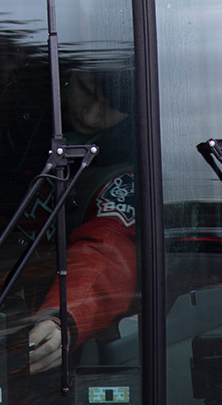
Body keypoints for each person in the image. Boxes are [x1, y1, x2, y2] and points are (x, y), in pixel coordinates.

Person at [27, 66, 138, 374]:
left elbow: (107, 249)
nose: (89, 116)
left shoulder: (122, 174)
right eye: (85, 90)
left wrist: (64, 317)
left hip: (41, 328)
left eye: (111, 107)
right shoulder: (20, 124)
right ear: (64, 75)